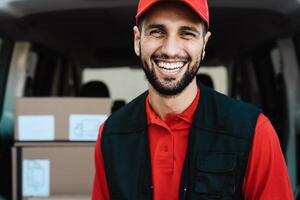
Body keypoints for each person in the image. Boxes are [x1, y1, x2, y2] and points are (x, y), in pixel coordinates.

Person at [92, 0, 294, 199]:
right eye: (157, 32)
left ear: (204, 44)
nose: (171, 50)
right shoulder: (111, 135)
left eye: (187, 33)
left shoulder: (254, 131)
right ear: (137, 40)